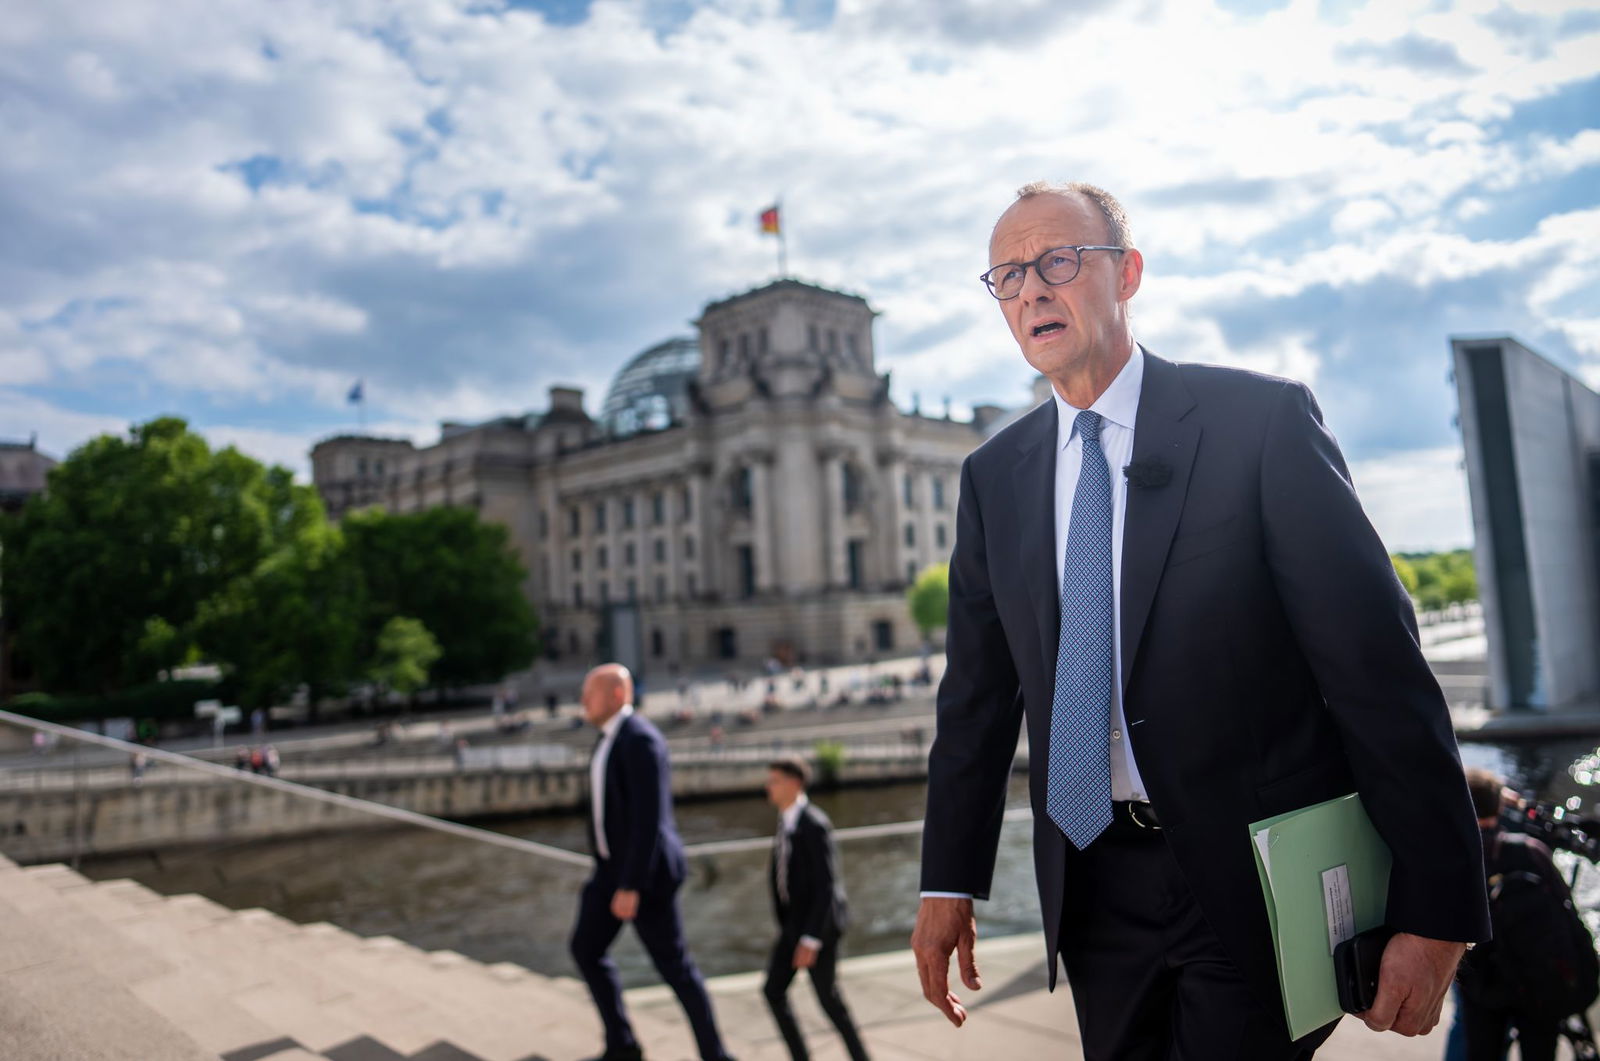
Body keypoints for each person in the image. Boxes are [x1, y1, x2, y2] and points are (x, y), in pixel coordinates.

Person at [911, 181, 1490, 1059]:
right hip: (1093, 886)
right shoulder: (994, 476)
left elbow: (1377, 670)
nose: (1031, 290)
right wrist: (947, 880)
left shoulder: (1258, 422)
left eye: (1058, 261)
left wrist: (1439, 907)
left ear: (1127, 273)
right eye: (1008, 276)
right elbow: (975, 704)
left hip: (1255, 879)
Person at [568, 663, 735, 1061]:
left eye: (590, 693)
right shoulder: (608, 739)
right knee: (585, 949)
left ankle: (716, 1056)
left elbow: (649, 822)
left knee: (675, 969)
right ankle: (622, 1045)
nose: (582, 701)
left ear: (617, 695)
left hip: (645, 877)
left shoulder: (640, 739)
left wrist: (631, 885)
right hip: (609, 871)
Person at [1455, 768, 1586, 1061]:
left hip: (1483, 981)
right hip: (1538, 978)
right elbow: (1566, 908)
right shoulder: (1531, 850)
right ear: (1499, 807)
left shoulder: (1457, 854)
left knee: (1481, 1051)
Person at [761, 756, 870, 1061]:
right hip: (793, 926)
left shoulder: (814, 824)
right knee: (773, 991)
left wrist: (811, 939)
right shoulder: (786, 820)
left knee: (828, 999)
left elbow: (826, 887)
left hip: (817, 928)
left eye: (775, 781)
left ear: (795, 784)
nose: (768, 787)